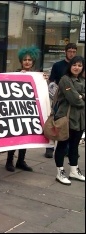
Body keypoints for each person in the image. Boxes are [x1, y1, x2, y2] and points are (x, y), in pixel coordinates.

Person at [5, 46, 44, 172]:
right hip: (16, 110)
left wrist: (44, 81)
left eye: (30, 60)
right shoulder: (15, 74)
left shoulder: (37, 75)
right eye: (25, 59)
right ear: (21, 61)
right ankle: (9, 161)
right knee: (14, 136)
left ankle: (21, 161)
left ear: (33, 62)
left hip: (28, 110)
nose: (27, 61)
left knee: (25, 136)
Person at [54, 56, 85, 185]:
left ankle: (73, 170)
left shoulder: (82, 79)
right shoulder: (65, 79)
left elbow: (78, 98)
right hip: (66, 118)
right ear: (70, 66)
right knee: (62, 145)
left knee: (74, 146)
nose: (76, 67)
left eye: (79, 65)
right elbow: (73, 99)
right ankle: (60, 172)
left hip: (80, 119)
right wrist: (81, 97)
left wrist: (80, 96)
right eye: (74, 65)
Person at [45, 43, 78, 158]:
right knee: (53, 122)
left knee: (68, 124)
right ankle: (49, 147)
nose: (72, 53)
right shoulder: (58, 65)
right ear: (65, 52)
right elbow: (51, 81)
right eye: (70, 51)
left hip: (72, 100)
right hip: (59, 100)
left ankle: (67, 149)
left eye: (74, 51)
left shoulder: (77, 67)